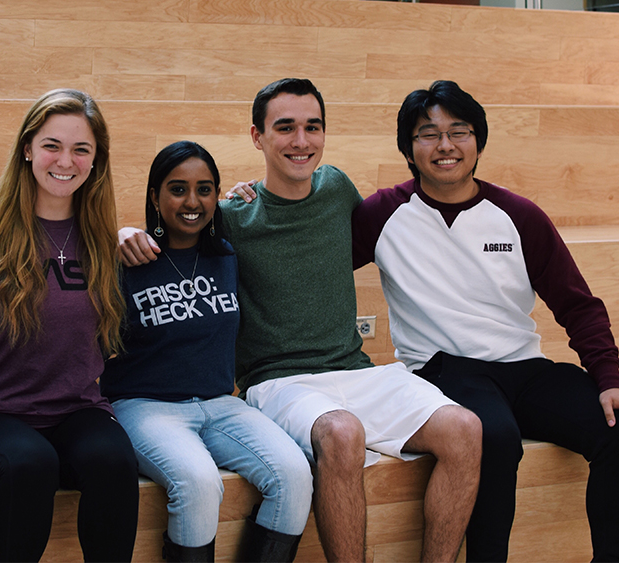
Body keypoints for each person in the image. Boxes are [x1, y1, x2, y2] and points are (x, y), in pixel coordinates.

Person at [120, 78, 483, 563]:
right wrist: (127, 231)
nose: (301, 141)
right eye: (285, 127)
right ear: (258, 137)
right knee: (342, 433)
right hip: (278, 383)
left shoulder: (336, 187)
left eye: (312, 127)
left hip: (354, 371)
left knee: (465, 428)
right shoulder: (231, 216)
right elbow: (174, 225)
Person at [349, 80, 619, 562]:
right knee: (496, 437)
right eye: (428, 134)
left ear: (478, 141)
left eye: (459, 131)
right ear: (408, 147)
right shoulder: (382, 214)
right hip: (443, 369)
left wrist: (609, 381)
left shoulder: (518, 215)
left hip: (523, 368)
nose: (445, 145)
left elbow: (578, 305)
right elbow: (316, 260)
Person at [0, 88, 139, 562]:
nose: (65, 161)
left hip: (76, 412)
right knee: (31, 465)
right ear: (28, 148)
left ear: (96, 160)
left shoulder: (100, 238)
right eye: (52, 144)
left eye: (81, 149)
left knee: (115, 462)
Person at [101, 141, 314, 563]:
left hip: (220, 403)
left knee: (295, 475)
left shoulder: (227, 256)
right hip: (146, 405)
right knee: (198, 482)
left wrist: (242, 196)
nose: (192, 201)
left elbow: (267, 215)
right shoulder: (127, 258)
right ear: (155, 197)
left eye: (205, 189)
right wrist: (119, 234)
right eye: (178, 189)